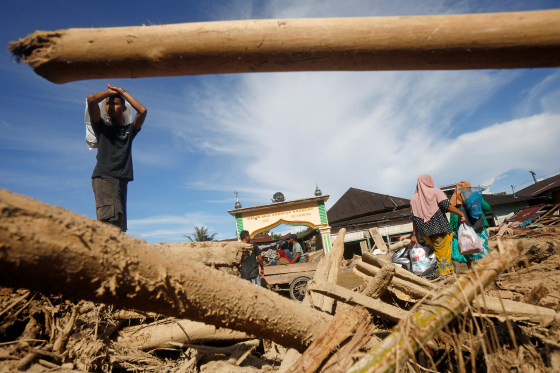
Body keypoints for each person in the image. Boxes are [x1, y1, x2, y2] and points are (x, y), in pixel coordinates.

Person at [87, 84, 147, 232]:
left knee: (119, 227)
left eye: (115, 103)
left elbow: (142, 111)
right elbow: (91, 100)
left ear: (124, 109)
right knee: (109, 224)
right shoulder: (101, 128)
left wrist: (122, 92)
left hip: (121, 180)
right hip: (105, 178)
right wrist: (110, 92)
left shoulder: (128, 131)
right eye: (108, 104)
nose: (111, 106)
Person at [410, 175, 466, 277]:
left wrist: (414, 234)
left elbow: (414, 218)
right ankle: (445, 277)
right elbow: (447, 205)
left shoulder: (414, 198)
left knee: (443, 253)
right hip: (441, 229)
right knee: (442, 255)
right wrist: (461, 214)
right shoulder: (435, 191)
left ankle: (452, 274)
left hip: (426, 233)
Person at [449, 181, 492, 266]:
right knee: (482, 251)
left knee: (469, 251)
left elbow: (453, 221)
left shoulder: (454, 200)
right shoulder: (475, 196)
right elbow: (487, 207)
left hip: (464, 231)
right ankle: (485, 271)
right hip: (479, 227)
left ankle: (473, 271)